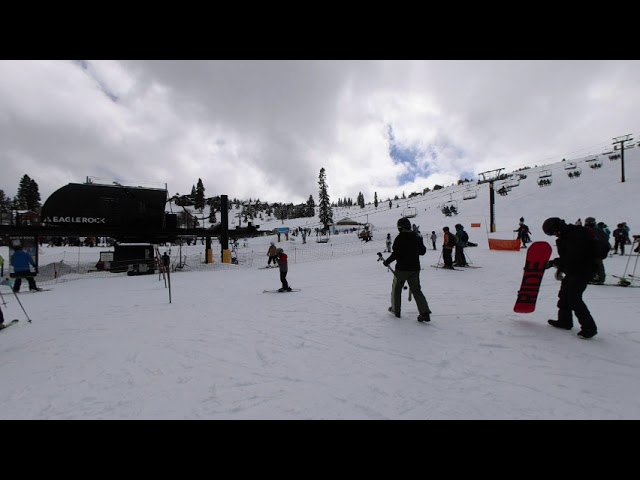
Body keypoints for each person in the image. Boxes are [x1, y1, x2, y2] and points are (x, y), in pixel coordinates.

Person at [542, 217, 598, 339]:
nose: (554, 235)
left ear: (557, 227)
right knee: (564, 295)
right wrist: (558, 266)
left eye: (553, 232)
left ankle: (589, 328)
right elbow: (568, 256)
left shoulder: (575, 236)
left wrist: (555, 263)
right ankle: (564, 321)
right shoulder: (565, 236)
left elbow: (574, 257)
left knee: (574, 298)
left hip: (583, 271)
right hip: (573, 270)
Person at [383, 217, 432, 322]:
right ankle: (424, 312)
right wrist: (420, 240)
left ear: (400, 227)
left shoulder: (399, 238)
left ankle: (396, 310)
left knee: (397, 289)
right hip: (414, 269)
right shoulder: (417, 237)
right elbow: (422, 252)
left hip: (401, 270)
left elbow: (395, 254)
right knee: (416, 290)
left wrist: (387, 261)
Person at [584, 217, 607, 285]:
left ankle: (588, 278)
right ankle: (600, 279)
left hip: (585, 252)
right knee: (599, 266)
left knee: (586, 266)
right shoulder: (600, 231)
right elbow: (605, 241)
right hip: (597, 251)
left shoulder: (582, 230)